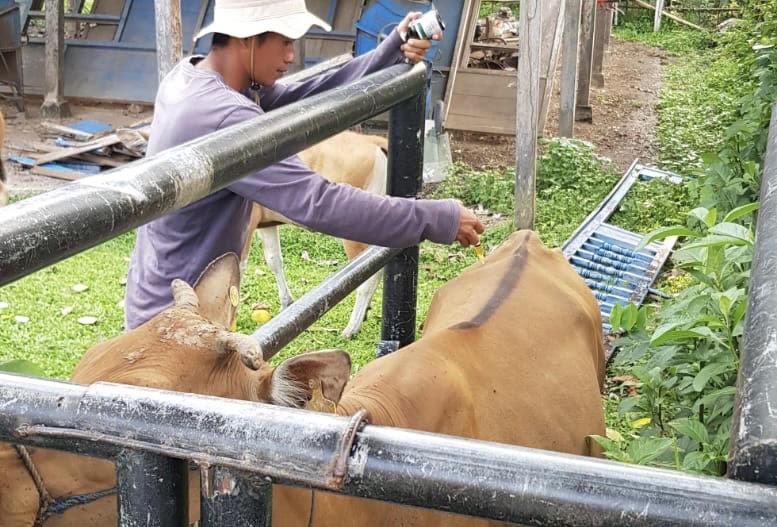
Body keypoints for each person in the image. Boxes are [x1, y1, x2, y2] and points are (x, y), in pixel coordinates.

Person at [124, 0, 485, 330]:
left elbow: (314, 95)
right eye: (284, 42)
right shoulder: (225, 116)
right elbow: (319, 202)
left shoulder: (193, 78)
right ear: (248, 39)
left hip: (169, 300)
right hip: (175, 325)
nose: (291, 55)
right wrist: (438, 218)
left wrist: (392, 51)